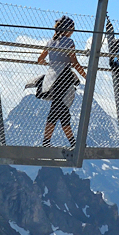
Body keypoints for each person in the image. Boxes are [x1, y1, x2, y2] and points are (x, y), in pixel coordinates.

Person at [36, 16, 86, 148]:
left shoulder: (50, 41)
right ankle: (48, 143)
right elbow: (74, 62)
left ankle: (74, 143)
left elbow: (40, 59)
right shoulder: (69, 42)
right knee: (58, 110)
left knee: (61, 111)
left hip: (51, 78)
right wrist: (86, 75)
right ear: (68, 29)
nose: (73, 31)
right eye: (73, 29)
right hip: (64, 78)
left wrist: (49, 64)